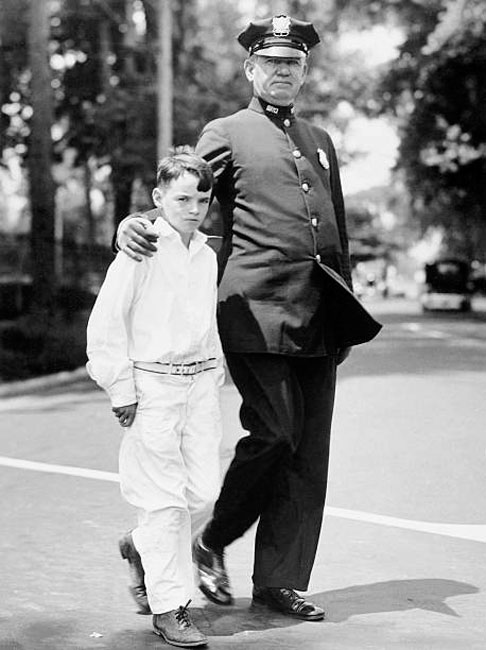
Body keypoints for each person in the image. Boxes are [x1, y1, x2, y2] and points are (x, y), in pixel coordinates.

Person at [117, 15, 382, 622]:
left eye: (294, 63)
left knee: (308, 454)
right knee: (276, 434)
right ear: (251, 70)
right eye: (272, 63)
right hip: (253, 311)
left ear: (305, 71)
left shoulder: (320, 139)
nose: (283, 71)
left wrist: (346, 311)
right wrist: (139, 221)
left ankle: (278, 581)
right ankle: (207, 542)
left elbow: (334, 234)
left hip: (318, 316)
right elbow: (184, 188)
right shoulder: (228, 131)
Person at [87, 148, 225, 647]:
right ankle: (171, 608)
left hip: (201, 385)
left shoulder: (206, 255)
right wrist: (120, 389)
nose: (192, 208)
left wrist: (216, 373)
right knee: (164, 505)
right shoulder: (141, 247)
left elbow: (205, 323)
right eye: (182, 198)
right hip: (153, 389)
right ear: (158, 198)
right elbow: (105, 323)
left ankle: (140, 546)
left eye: (201, 199)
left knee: (204, 493)